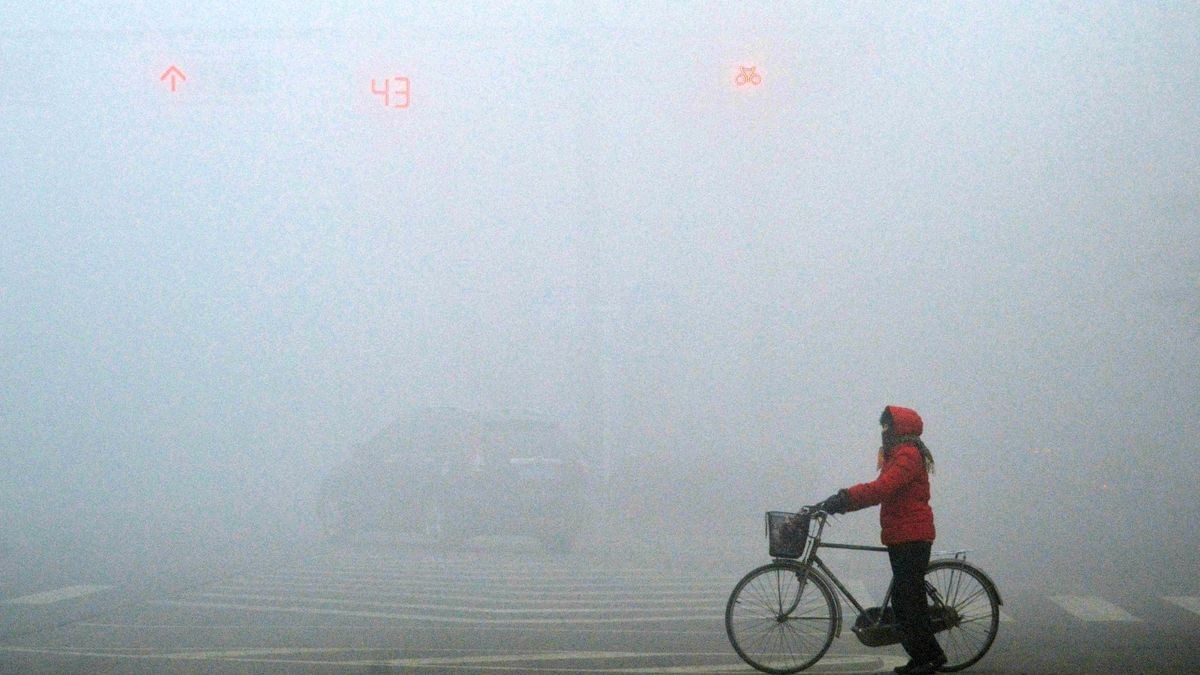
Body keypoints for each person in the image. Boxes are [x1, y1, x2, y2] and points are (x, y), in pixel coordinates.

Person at [815, 405, 948, 675]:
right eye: (883, 426)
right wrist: (844, 500)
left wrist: (844, 499)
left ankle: (930, 657)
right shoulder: (896, 454)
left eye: (888, 426)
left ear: (900, 429)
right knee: (904, 600)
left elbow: (881, 489)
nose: (884, 431)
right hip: (901, 534)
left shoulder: (908, 455)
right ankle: (920, 656)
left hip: (912, 535)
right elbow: (882, 488)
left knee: (908, 601)